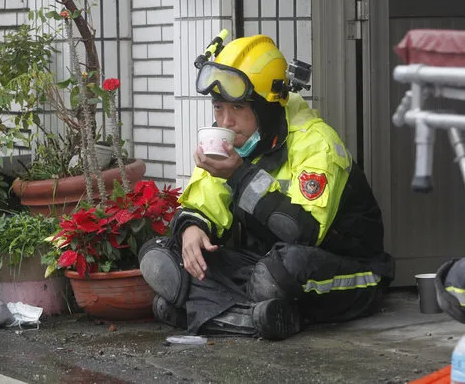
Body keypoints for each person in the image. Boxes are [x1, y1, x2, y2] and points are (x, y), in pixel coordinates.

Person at [138, 33, 395, 340]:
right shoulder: (231, 145)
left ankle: (211, 311)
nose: (226, 122)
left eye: (238, 109)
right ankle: (260, 318)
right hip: (265, 263)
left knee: (277, 272)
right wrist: (191, 230)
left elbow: (301, 232)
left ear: (267, 107)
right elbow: (204, 202)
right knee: (162, 253)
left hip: (348, 268)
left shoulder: (317, 142)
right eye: (219, 108)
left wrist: (238, 174)